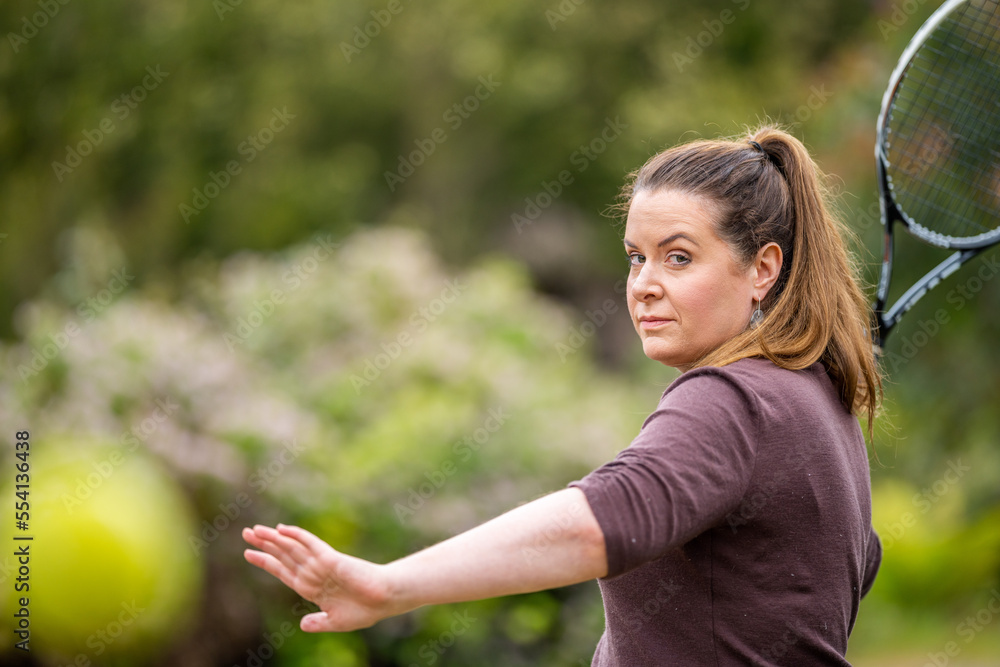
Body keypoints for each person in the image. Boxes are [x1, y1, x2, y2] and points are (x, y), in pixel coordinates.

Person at [242, 125, 883, 666]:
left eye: (678, 258)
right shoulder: (819, 400)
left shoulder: (732, 400)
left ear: (763, 269)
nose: (644, 284)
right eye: (635, 257)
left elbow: (603, 520)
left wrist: (389, 586)